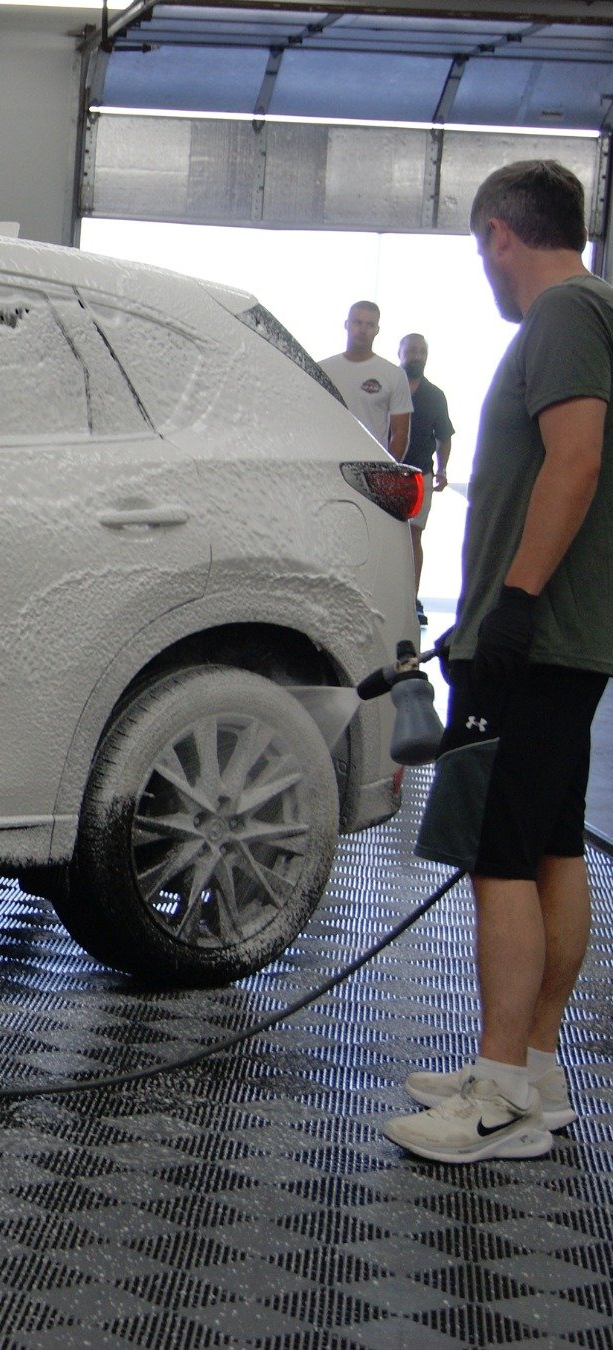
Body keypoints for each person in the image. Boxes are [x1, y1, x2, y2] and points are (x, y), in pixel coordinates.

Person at [385, 160, 612, 1164]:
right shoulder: (595, 309)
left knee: (501, 858)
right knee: (552, 844)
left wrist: (514, 606)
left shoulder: (562, 314)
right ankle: (534, 1067)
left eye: (483, 247)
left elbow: (578, 457)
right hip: (566, 637)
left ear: (499, 238)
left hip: (538, 637)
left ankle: (498, 1094)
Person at [398, 333, 455, 625]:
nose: (416, 356)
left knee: (413, 537)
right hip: (384, 472)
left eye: (421, 351)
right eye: (411, 351)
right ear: (400, 353)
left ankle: (411, 599)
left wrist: (443, 469)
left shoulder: (435, 396)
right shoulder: (388, 387)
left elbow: (444, 437)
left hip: (420, 474)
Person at [320, 301, 412, 460]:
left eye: (370, 325)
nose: (363, 330)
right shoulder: (322, 369)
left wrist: (388, 475)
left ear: (377, 330)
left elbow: (400, 433)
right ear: (347, 324)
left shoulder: (393, 374)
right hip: (326, 464)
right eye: (358, 322)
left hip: (370, 470)